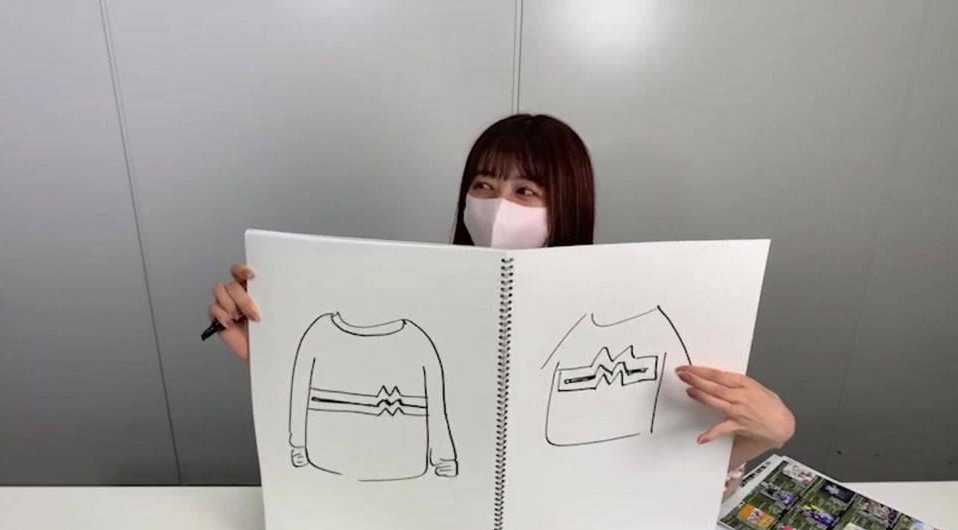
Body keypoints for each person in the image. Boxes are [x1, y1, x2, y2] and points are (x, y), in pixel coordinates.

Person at [206, 113, 795, 496]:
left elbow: (666, 470)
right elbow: (363, 411)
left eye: (525, 190)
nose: (497, 205)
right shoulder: (412, 301)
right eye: (483, 185)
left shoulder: (627, 314)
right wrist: (269, 348)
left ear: (568, 203)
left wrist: (764, 434)